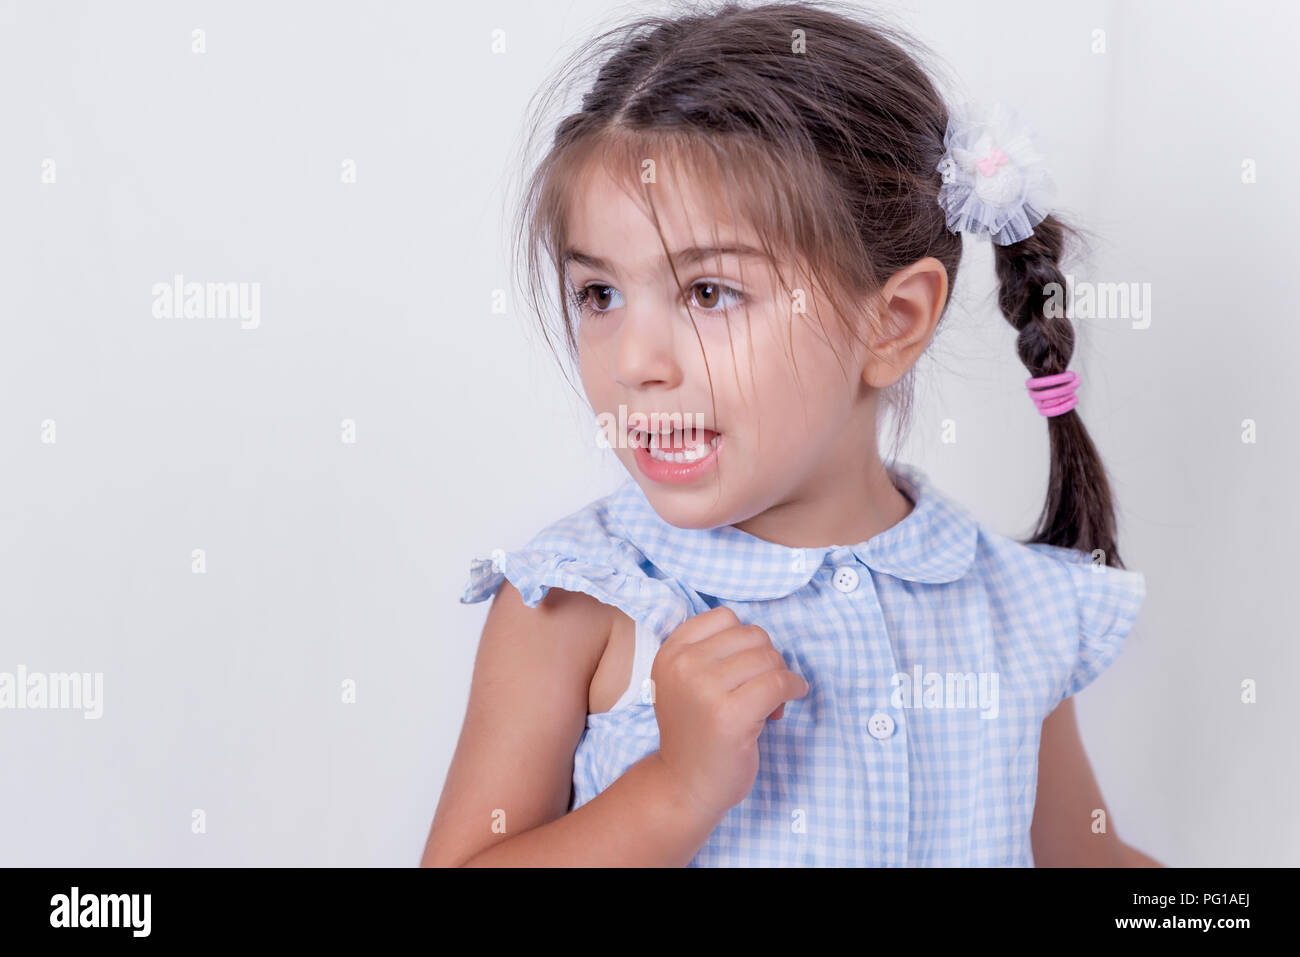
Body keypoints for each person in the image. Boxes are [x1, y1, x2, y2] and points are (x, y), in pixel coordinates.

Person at [422, 0, 1157, 867]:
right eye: (600, 295)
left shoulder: (1014, 607)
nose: (637, 361)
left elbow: (1088, 862)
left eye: (708, 294)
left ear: (892, 323)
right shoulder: (578, 604)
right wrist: (676, 789)